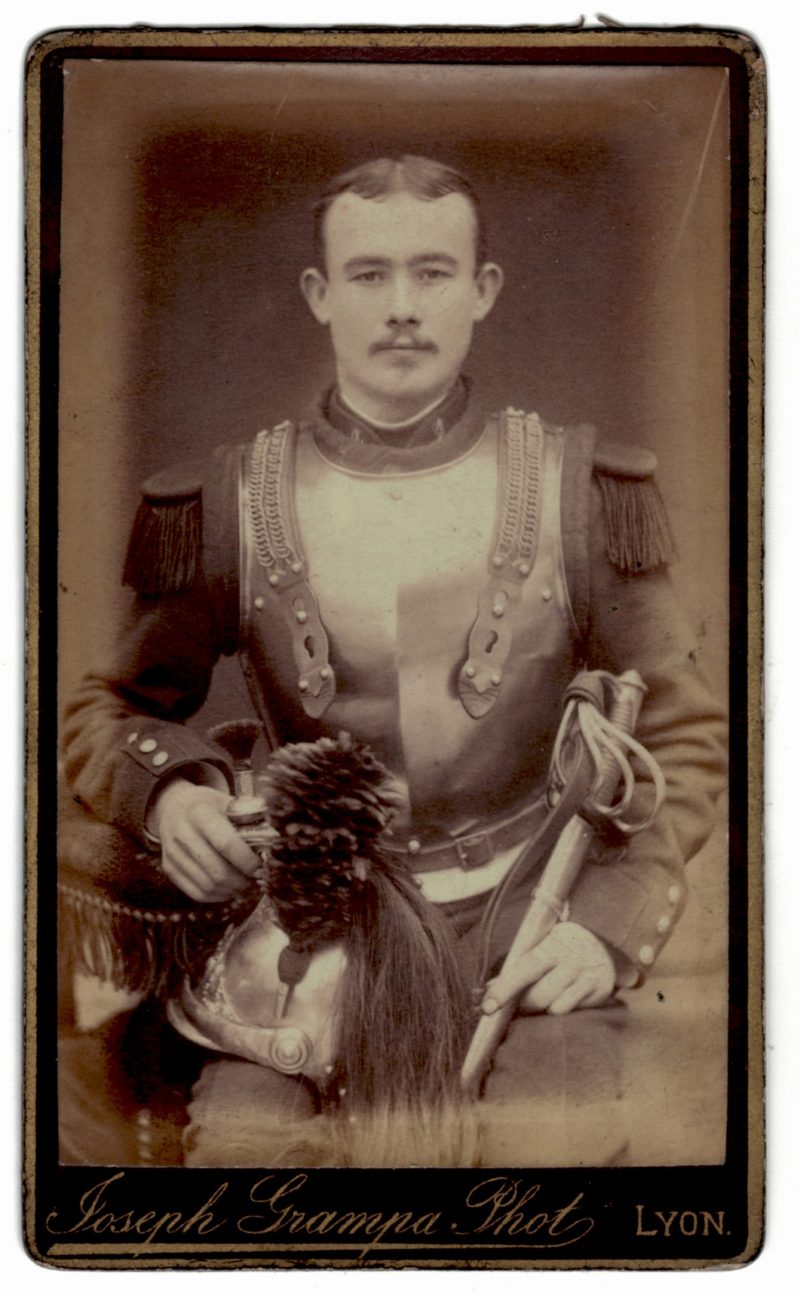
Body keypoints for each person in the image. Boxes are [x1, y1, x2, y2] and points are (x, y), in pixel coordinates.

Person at [61, 155, 726, 1168]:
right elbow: (105, 708)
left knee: (551, 1170)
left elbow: (683, 731)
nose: (402, 308)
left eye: (432, 272)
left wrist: (602, 926)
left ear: (481, 291)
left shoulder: (578, 491)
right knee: (240, 1166)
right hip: (311, 924)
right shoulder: (229, 503)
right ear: (321, 298)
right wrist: (168, 799)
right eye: (369, 276)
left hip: (525, 916)